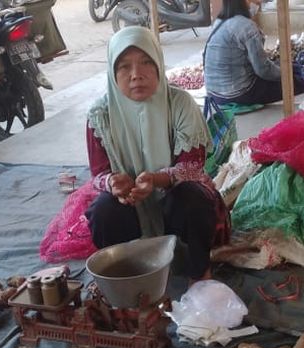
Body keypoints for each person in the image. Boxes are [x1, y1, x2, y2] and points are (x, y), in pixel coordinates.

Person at [85, 26, 230, 281]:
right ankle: (121, 273)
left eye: (145, 63)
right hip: (131, 204)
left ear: (158, 65)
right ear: (112, 72)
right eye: (124, 67)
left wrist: (156, 179)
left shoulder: (180, 103)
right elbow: (98, 173)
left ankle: (200, 272)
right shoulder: (100, 115)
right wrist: (113, 183)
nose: (136, 75)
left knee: (192, 197)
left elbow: (193, 167)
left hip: (173, 199)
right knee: (103, 210)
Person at [203, 0, 304, 106]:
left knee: (289, 68)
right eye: (256, 1)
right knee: (297, 82)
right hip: (237, 94)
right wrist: (287, 74)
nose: (259, 3)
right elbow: (263, 70)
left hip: (214, 95)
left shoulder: (219, 22)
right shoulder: (246, 26)